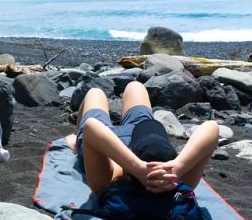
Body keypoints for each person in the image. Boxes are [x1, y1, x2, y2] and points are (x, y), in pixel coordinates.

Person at [64, 81, 218, 197]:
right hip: (141, 133)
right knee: (135, 85)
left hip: (105, 141)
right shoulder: (178, 181)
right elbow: (212, 127)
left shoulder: (109, 181)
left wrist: (138, 168)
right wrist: (178, 167)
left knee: (95, 92)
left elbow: (92, 127)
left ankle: (77, 144)